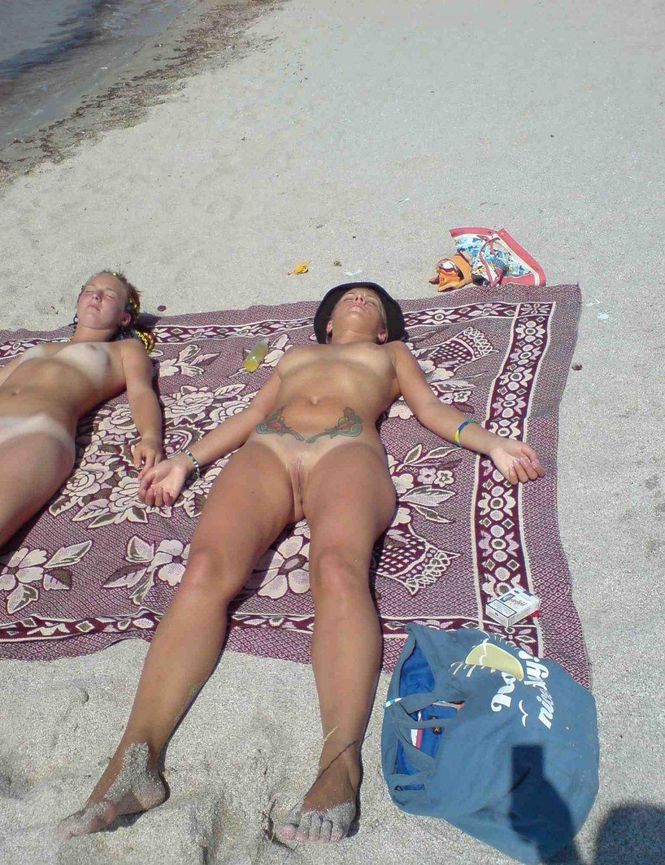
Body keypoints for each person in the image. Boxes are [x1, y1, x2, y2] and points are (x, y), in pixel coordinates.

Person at [58, 282, 545, 844]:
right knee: (205, 570)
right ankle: (135, 757)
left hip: (347, 452)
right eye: (347, 298)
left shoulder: (390, 355)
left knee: (337, 569)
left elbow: (431, 409)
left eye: (371, 301)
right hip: (268, 451)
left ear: (384, 328)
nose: (359, 300)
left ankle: (340, 761)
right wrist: (185, 462)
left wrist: (492, 444)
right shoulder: (296, 356)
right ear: (327, 323)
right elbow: (253, 413)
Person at [0, 270, 163, 550]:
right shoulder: (38, 348)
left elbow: (141, 392)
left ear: (124, 318)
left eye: (109, 295)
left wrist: (150, 436)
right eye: (90, 289)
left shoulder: (126, 350)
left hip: (38, 431)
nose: (96, 296)